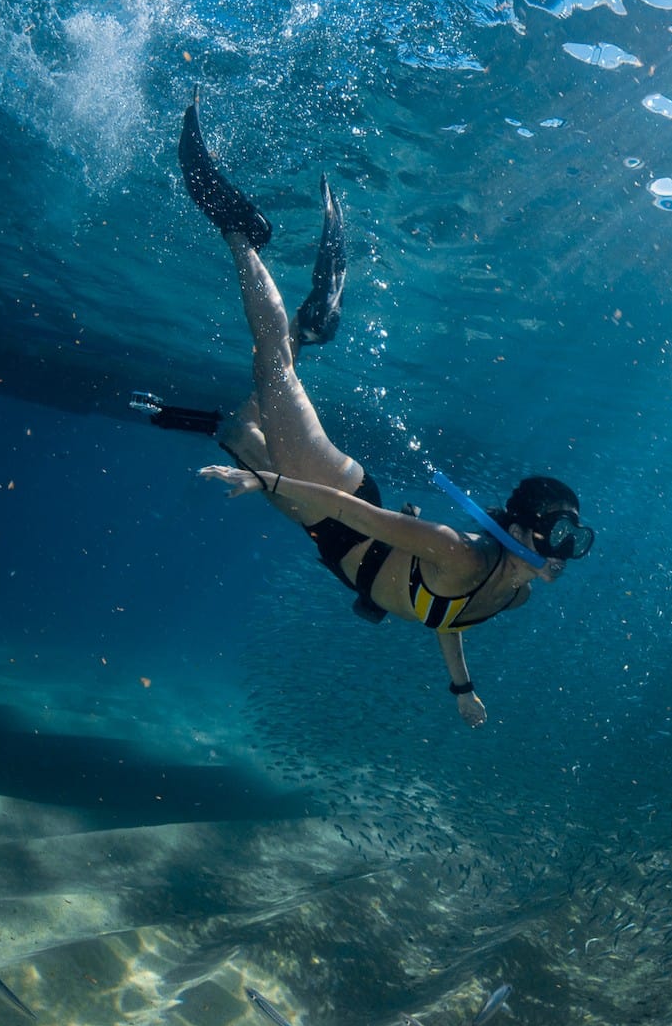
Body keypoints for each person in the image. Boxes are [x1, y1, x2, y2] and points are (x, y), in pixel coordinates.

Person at [168, 93, 593, 727]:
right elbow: (350, 510)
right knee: (271, 370)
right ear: (526, 529)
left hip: (328, 540)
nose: (565, 551)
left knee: (240, 427)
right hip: (335, 499)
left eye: (573, 539)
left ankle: (312, 331)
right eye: (559, 535)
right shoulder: (458, 550)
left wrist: (462, 689)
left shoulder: (517, 592)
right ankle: (241, 234)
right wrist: (265, 482)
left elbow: (449, 616)